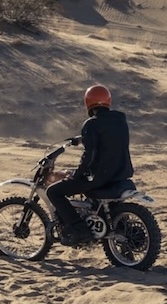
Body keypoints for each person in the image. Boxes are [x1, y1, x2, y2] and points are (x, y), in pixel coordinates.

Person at [46, 84, 135, 246]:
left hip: (99, 177)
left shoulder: (91, 124)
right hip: (120, 173)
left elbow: (90, 155)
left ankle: (80, 230)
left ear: (88, 102)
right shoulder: (120, 119)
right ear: (108, 101)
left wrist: (78, 174)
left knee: (54, 191)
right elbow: (107, 134)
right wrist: (82, 137)